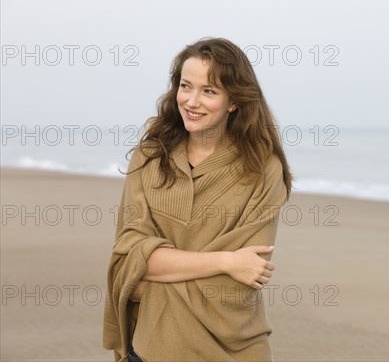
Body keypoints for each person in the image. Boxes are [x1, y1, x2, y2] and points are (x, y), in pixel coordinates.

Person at [102, 37, 293, 362]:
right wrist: (225, 261)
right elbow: (127, 260)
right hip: (149, 348)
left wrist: (154, 272)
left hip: (233, 350)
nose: (192, 100)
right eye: (186, 86)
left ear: (233, 100)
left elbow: (240, 285)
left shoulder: (263, 170)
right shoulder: (149, 156)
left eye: (209, 91)